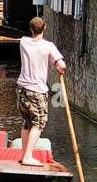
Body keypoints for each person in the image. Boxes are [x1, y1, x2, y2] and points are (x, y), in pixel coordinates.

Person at [16, 16, 66, 166]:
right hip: (36, 90)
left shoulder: (23, 42)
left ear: (31, 29)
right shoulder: (48, 46)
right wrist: (59, 67)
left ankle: (24, 155)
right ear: (44, 28)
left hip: (21, 89)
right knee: (39, 122)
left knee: (27, 122)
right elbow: (61, 64)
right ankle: (28, 157)